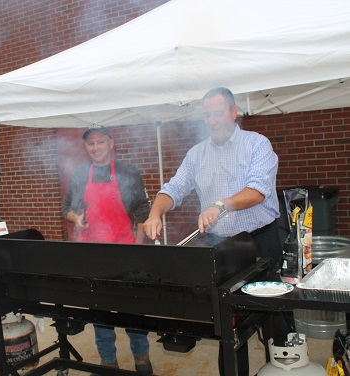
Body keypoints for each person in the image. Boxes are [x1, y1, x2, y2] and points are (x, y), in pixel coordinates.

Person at [143, 87, 294, 376]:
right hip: (221, 248)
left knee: (277, 314)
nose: (212, 120)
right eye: (207, 114)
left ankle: (287, 366)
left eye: (218, 112)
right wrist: (155, 213)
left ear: (234, 112)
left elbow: (258, 191)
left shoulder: (256, 144)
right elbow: (173, 188)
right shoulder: (197, 154)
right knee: (230, 321)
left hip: (261, 243)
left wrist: (220, 205)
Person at [61, 125, 153, 375]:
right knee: (99, 313)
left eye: (100, 142)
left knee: (133, 311)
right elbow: (67, 207)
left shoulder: (128, 172)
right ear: (86, 147)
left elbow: (143, 212)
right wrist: (75, 217)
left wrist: (142, 252)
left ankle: (142, 359)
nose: (96, 148)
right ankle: (108, 362)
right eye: (90, 144)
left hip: (124, 253)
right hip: (92, 256)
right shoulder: (80, 174)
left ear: (111, 143)